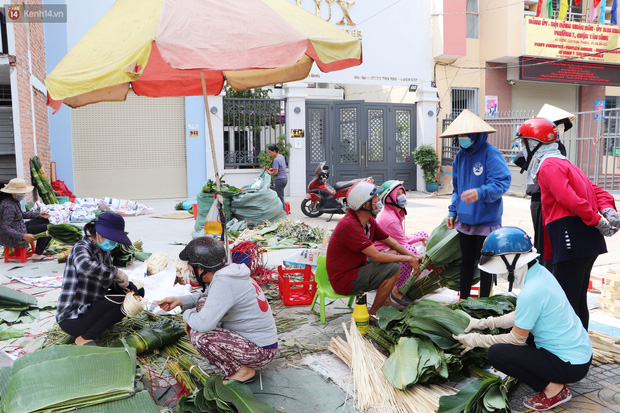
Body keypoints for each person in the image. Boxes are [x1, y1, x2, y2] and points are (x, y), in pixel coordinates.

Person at [453, 227, 592, 411]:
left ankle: (553, 389)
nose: (500, 275)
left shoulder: (532, 291)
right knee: (523, 338)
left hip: (570, 364)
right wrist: (484, 323)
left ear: (512, 262)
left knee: (497, 353)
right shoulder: (540, 274)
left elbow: (515, 340)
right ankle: (554, 377)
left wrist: (477, 340)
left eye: (499, 269)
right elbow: (523, 315)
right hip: (580, 355)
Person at [515, 117, 619, 329]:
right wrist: (608, 210)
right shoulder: (563, 162)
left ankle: (569, 353)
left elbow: (567, 198)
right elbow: (596, 190)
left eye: (524, 142)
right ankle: (582, 348)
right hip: (585, 239)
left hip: (571, 236)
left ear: (534, 143)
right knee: (578, 297)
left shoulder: (549, 165)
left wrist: (598, 218)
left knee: (566, 299)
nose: (522, 148)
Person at [158, 237, 277, 384]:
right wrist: (181, 301)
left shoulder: (224, 283)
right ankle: (237, 363)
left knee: (200, 335)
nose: (189, 269)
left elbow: (203, 325)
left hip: (260, 352)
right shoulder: (228, 273)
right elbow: (208, 297)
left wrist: (188, 315)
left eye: (190, 266)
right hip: (261, 345)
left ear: (200, 268)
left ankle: (243, 371)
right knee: (202, 305)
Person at [439, 109, 511, 299]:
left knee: (486, 264)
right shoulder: (459, 157)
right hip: (465, 219)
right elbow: (456, 188)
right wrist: (452, 211)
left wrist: (480, 192)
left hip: (487, 220)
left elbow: (501, 183)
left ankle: (485, 302)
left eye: (465, 135)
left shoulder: (491, 154)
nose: (462, 138)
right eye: (459, 135)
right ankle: (463, 298)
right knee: (466, 261)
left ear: (476, 135)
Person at [326, 181, 422, 319]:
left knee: (393, 253)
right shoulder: (350, 225)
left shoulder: (368, 221)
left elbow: (391, 242)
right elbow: (377, 256)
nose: (379, 200)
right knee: (393, 268)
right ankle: (373, 312)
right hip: (344, 280)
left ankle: (386, 301)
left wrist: (413, 255)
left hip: (358, 267)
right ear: (365, 204)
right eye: (375, 198)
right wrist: (409, 259)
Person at [56, 212, 139, 346]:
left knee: (135, 294)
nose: (113, 243)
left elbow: (106, 278)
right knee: (120, 301)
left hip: (90, 308)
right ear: (99, 234)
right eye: (112, 239)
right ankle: (86, 337)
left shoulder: (104, 251)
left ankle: (96, 326)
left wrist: (125, 285)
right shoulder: (81, 247)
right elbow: (85, 266)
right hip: (72, 317)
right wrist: (116, 272)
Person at [513, 104, 574, 271]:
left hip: (551, 198)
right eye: (559, 125)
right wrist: (537, 170)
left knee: (551, 239)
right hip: (540, 197)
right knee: (543, 240)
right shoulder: (537, 146)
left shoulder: (556, 145)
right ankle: (543, 271)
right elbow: (519, 159)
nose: (560, 129)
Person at [373, 180, 429, 303]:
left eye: (402, 193)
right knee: (409, 251)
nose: (402, 197)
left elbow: (400, 237)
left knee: (423, 235)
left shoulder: (394, 213)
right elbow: (402, 244)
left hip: (393, 244)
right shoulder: (390, 219)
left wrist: (420, 238)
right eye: (397, 194)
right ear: (389, 198)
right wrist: (424, 260)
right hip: (382, 250)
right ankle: (397, 289)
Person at [0, 178, 53, 261]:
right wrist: (23, 236)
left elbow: (20, 214)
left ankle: (40, 249)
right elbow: (5, 227)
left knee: (45, 221)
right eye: (22, 192)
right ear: (14, 193)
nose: (24, 194)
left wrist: (38, 214)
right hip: (15, 234)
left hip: (20, 227)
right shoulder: (8, 206)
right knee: (50, 228)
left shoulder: (13, 200)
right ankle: (37, 255)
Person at [266, 144, 287, 210]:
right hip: (284, 178)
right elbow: (281, 167)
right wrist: (273, 168)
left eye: (270, 152)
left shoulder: (276, 160)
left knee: (280, 195)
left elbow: (275, 172)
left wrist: (269, 173)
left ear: (274, 151)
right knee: (277, 191)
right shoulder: (281, 156)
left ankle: (283, 210)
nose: (269, 154)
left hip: (279, 179)